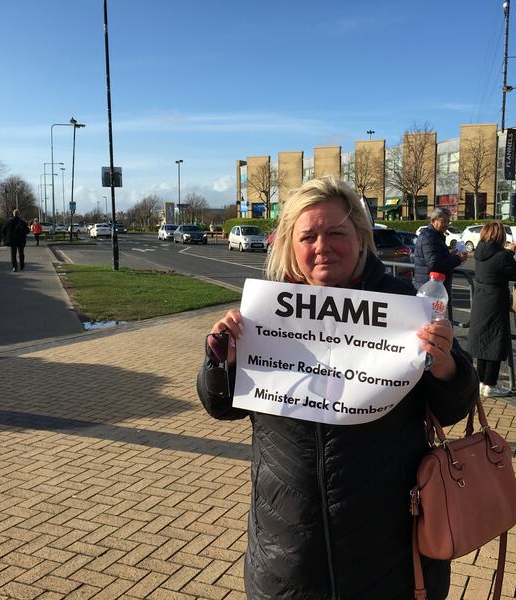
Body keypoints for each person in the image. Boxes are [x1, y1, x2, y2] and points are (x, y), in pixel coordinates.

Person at [197, 176, 478, 599]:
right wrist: (222, 360)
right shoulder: (265, 315)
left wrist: (445, 364)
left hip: (390, 549)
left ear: (361, 238)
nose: (321, 246)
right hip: (287, 550)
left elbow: (452, 406)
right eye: (307, 235)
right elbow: (221, 407)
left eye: (336, 233)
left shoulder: (402, 305)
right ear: (290, 246)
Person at [468, 222, 516, 398]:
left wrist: (509, 252)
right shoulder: (501, 256)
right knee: (495, 341)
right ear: (500, 236)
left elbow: (497, 261)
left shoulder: (480, 251)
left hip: (480, 299)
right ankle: (490, 385)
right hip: (495, 301)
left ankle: (481, 383)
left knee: (484, 340)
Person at [412, 207, 468, 317]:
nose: (447, 225)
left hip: (431, 286)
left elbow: (436, 258)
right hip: (430, 288)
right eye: (444, 221)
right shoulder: (430, 237)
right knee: (430, 321)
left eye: (448, 221)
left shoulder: (434, 235)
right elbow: (435, 264)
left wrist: (450, 255)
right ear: (433, 221)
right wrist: (458, 259)